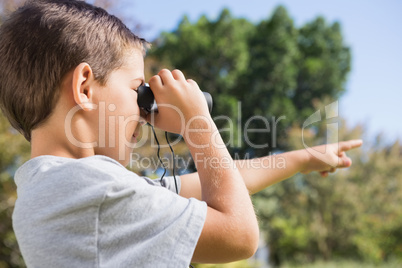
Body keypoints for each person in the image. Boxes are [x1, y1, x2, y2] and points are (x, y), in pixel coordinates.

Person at [0, 0, 362, 267]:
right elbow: (240, 236)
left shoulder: (63, 187)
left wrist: (301, 158)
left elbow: (210, 185)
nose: (145, 112)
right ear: (84, 87)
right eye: (137, 90)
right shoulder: (91, 189)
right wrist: (196, 121)